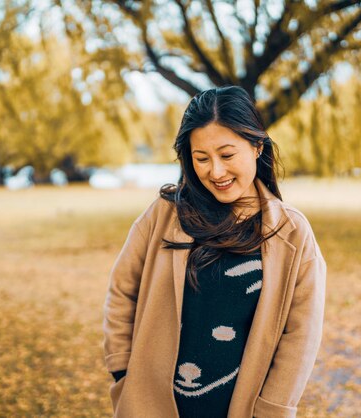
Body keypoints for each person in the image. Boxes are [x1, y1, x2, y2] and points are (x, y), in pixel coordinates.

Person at [102, 85, 327, 418]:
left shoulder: (292, 233)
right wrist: (122, 371)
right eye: (201, 158)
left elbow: (301, 334)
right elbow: (122, 292)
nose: (215, 172)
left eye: (227, 155)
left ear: (256, 147)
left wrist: (273, 409)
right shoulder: (164, 215)